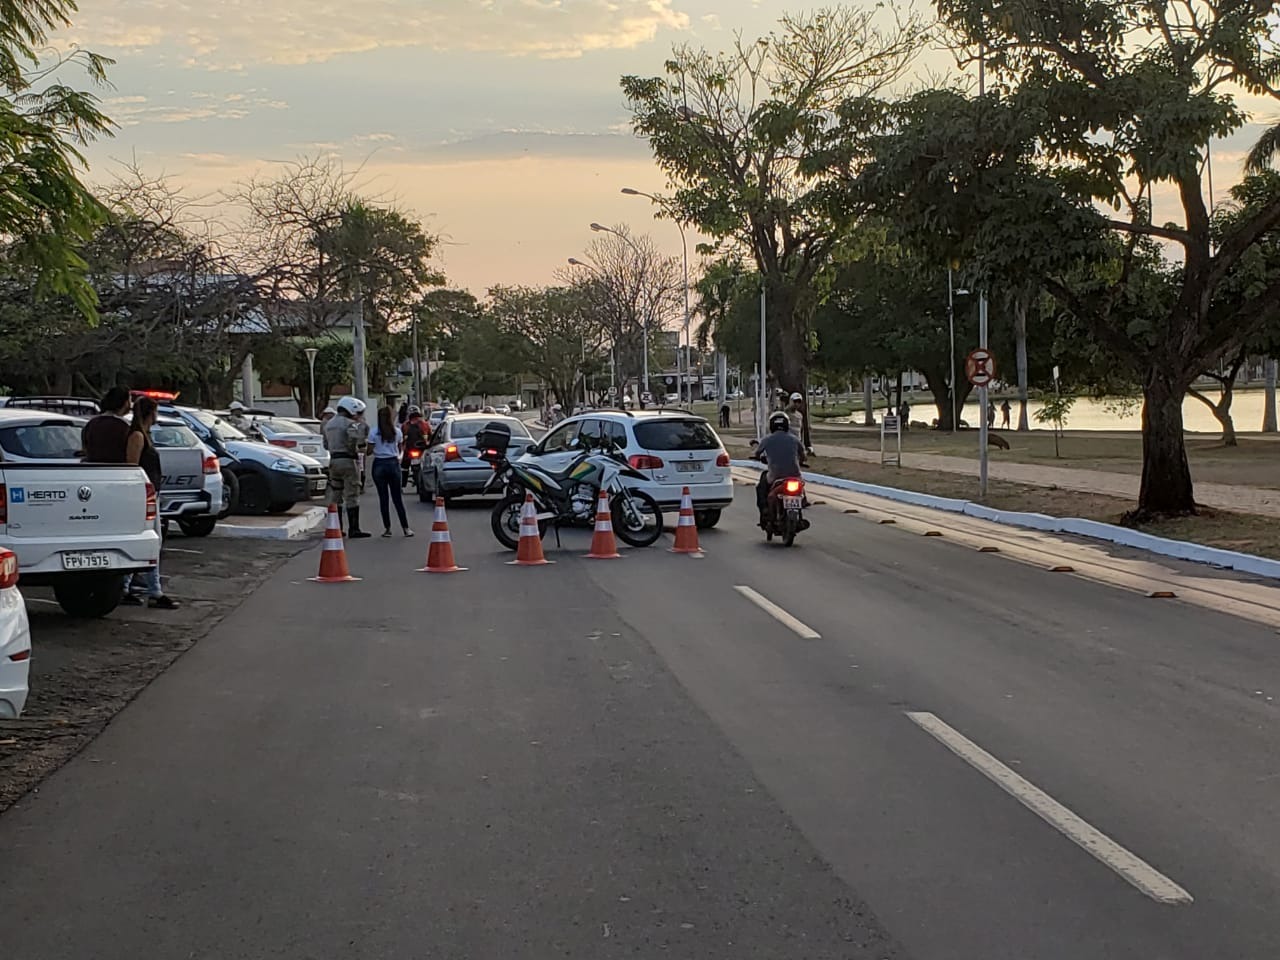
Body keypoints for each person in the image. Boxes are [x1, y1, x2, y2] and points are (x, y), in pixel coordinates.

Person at [123, 396, 178, 609]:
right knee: (152, 542)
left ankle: (128, 587)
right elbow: (132, 467)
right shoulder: (137, 436)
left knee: (152, 542)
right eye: (155, 412)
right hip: (143, 498)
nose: (157, 416)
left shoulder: (146, 435)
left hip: (152, 495)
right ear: (149, 413)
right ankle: (154, 591)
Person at [323, 396, 371, 539]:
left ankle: (337, 528)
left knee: (336, 494)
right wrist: (355, 449)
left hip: (333, 461)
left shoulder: (328, 424)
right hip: (348, 461)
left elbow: (325, 445)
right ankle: (354, 529)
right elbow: (355, 441)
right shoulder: (351, 424)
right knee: (352, 494)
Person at [752, 411, 808, 527]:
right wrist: (800, 461)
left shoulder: (767, 439)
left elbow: (757, 453)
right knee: (801, 485)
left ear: (771, 425)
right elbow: (804, 456)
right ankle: (804, 502)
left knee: (761, 487)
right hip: (794, 475)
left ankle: (765, 510)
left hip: (775, 476)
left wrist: (759, 457)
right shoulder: (794, 439)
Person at [368, 405, 413, 539]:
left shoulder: (374, 432)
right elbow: (400, 449)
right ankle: (406, 528)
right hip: (393, 464)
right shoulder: (397, 432)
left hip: (379, 464)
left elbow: (369, 451)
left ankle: (387, 529)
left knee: (384, 498)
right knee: (397, 498)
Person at [82, 386, 132, 462]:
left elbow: (85, 449)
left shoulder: (91, 424)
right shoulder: (125, 427)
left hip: (93, 469)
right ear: (125, 403)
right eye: (130, 400)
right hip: (118, 470)